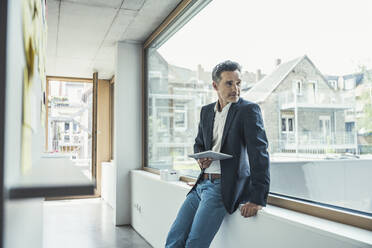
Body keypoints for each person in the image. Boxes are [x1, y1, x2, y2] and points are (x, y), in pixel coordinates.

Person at [165, 60, 270, 248]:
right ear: (215, 85)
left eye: (238, 83)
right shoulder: (206, 112)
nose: (235, 89)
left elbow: (259, 154)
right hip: (201, 184)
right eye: (229, 83)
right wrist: (201, 159)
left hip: (221, 188)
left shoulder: (248, 110)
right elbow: (199, 143)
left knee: (194, 244)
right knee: (174, 239)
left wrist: (257, 199)